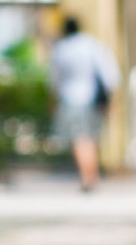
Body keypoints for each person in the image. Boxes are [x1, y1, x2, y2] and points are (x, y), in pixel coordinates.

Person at [50, 16, 120, 192]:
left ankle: (87, 178)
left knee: (80, 139)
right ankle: (92, 175)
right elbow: (110, 75)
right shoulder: (92, 45)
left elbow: (54, 80)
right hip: (92, 99)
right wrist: (110, 100)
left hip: (71, 99)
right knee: (90, 138)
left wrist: (53, 100)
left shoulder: (62, 49)